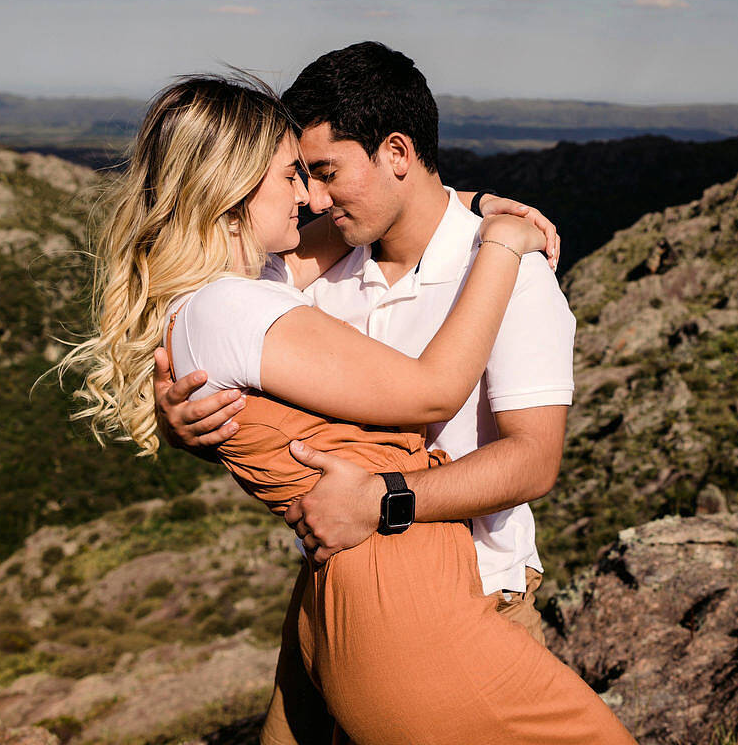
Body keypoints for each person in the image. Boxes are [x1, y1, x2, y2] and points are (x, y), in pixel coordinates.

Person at [64, 69, 636, 745]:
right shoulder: (263, 292)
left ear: (397, 153)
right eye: (294, 175)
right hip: (383, 604)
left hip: (467, 584)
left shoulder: (272, 281)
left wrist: (472, 210)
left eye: (323, 171)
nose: (311, 197)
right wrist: (503, 242)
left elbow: (533, 463)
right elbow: (430, 390)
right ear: (232, 194)